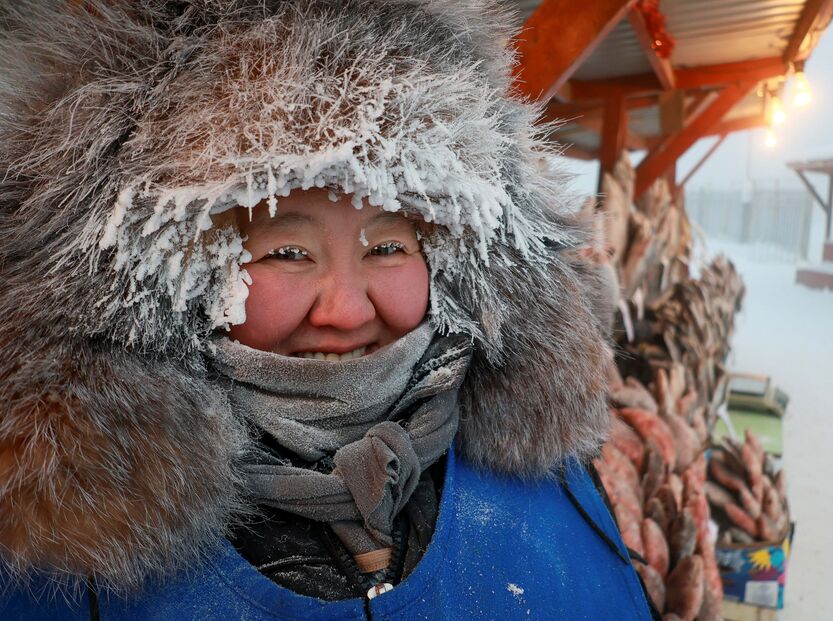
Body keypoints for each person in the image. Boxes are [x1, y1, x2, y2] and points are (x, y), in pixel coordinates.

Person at [0, 1, 657, 619]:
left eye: (390, 245)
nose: (345, 309)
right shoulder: (53, 576)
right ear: (157, 277)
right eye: (287, 249)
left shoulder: (555, 497)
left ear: (458, 260)